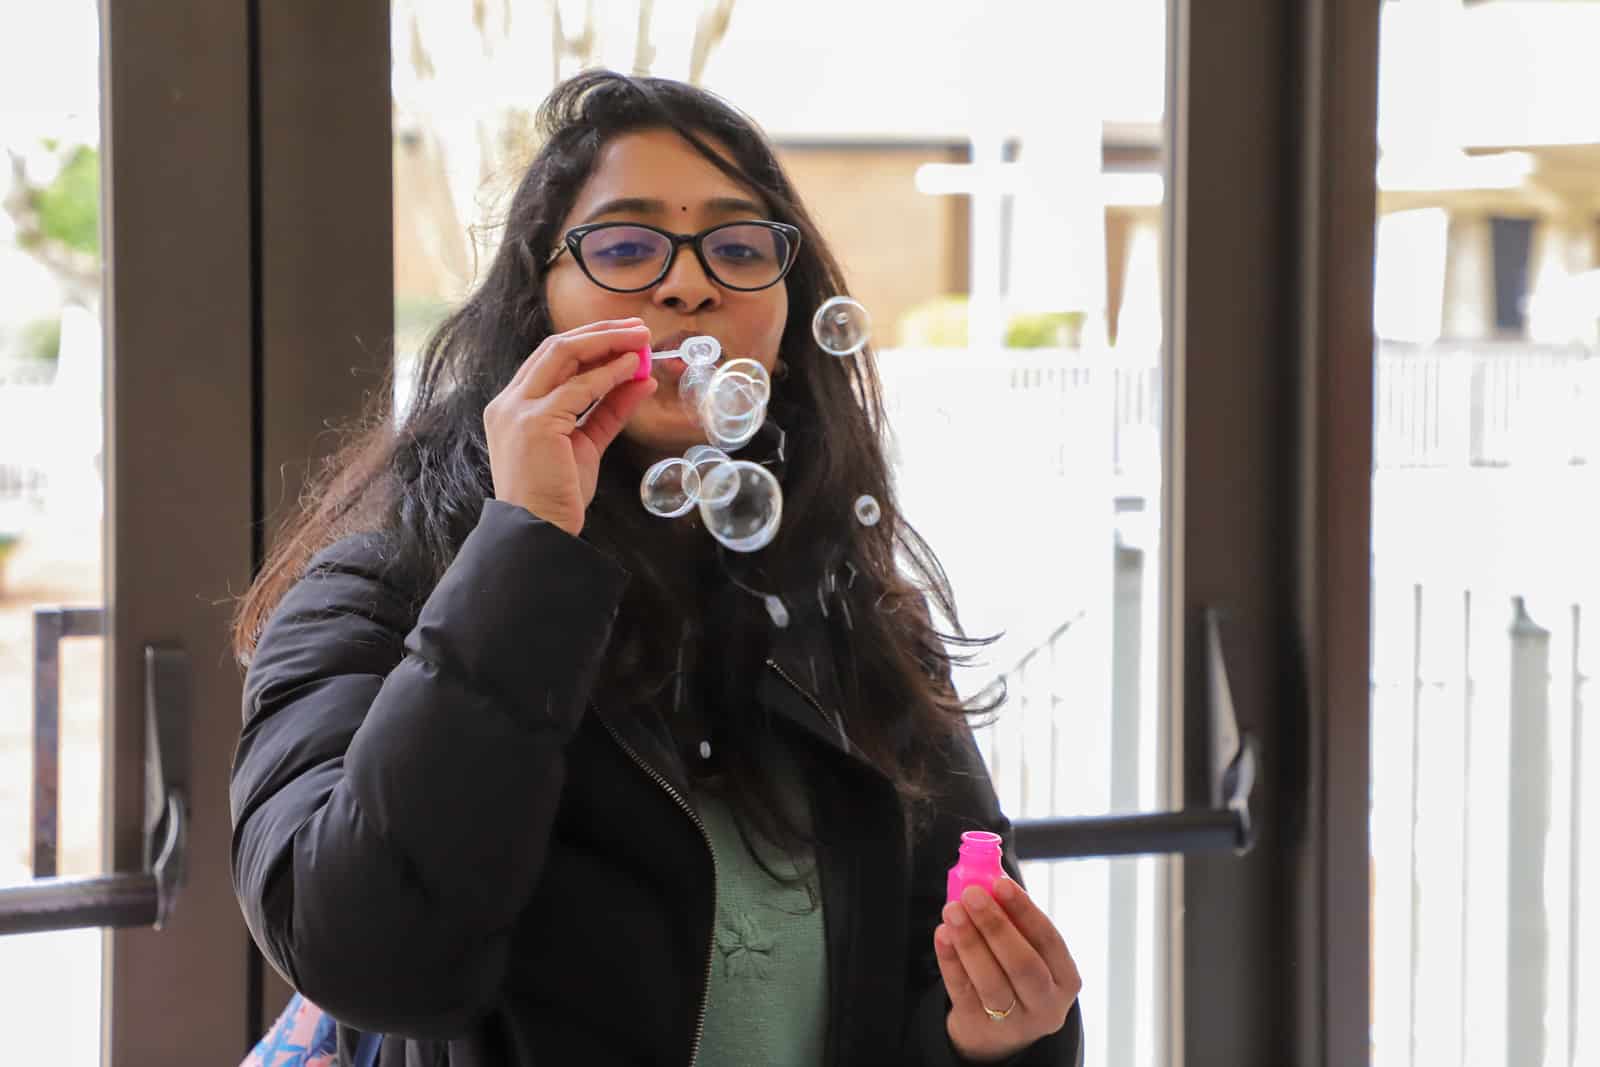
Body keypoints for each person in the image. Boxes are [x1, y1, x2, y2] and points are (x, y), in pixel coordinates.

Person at [229, 69, 1085, 1067]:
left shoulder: (850, 620)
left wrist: (1001, 1038)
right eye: (627, 245)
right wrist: (529, 542)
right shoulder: (382, 598)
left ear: (787, 311)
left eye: (738, 245)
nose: (690, 283)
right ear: (534, 304)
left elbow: (930, 987)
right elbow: (375, 958)